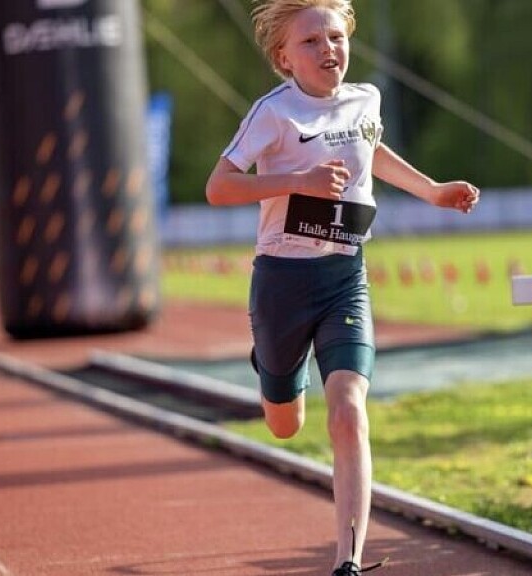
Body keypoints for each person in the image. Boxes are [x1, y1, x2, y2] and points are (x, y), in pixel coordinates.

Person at [205, 1, 479, 574]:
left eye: (335, 36)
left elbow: (370, 150)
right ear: (284, 57)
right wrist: (296, 181)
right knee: (285, 425)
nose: (327, 48)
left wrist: (432, 190)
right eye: (310, 41)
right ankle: (271, 364)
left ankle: (346, 561)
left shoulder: (366, 100)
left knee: (348, 413)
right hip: (281, 281)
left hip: (344, 278)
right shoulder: (273, 113)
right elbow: (219, 187)